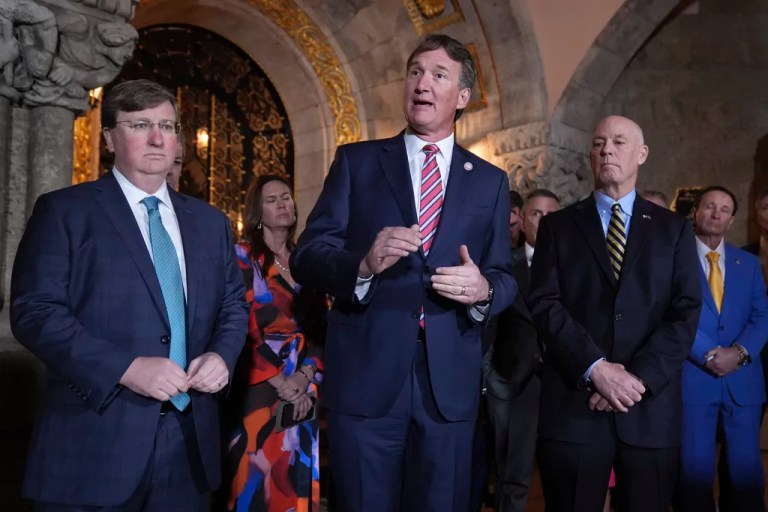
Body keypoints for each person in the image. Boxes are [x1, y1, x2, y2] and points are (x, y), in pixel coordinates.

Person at [289, 34, 516, 511]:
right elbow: (307, 255)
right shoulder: (357, 162)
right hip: (366, 378)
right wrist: (363, 265)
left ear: (462, 96)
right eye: (415, 72)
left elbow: (504, 275)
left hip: (448, 387)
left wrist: (483, 290)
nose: (422, 83)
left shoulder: (490, 181)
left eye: (438, 75)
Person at [10, 79, 249, 510]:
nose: (157, 138)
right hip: (94, 444)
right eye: (140, 125)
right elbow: (35, 312)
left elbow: (232, 305)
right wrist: (125, 368)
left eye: (167, 126)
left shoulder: (209, 222)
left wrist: (221, 356)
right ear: (108, 138)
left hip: (189, 445)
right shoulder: (65, 211)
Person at [528, 115, 702, 512]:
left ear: (642, 154)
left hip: (648, 410)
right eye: (598, 143)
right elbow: (545, 305)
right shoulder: (558, 227)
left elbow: (685, 312)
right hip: (575, 406)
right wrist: (597, 370)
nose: (606, 150)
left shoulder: (673, 229)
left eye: (619, 142)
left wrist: (634, 379)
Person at [227, 174, 326, 511]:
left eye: (286, 197)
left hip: (303, 385)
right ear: (258, 213)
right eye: (271, 200)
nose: (283, 204)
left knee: (296, 480)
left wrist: (304, 377)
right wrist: (282, 382)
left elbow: (322, 329)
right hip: (258, 386)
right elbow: (240, 328)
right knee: (256, 482)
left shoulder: (306, 261)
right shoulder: (241, 257)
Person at [677, 186, 768, 512]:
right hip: (694, 379)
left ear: (731, 220)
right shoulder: (674, 259)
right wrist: (709, 354)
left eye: (725, 209)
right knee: (694, 474)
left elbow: (762, 316)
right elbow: (671, 314)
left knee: (746, 475)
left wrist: (739, 353)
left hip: (743, 382)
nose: (716, 213)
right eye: (710, 206)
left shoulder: (749, 263)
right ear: (695, 213)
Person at [484, 188, 559, 512]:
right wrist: (491, 380)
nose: (543, 221)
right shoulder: (504, 266)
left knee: (562, 477)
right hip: (513, 385)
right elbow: (487, 328)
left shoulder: (574, 267)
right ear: (522, 219)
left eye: (551, 215)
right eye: (536, 214)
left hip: (562, 385)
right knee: (513, 477)